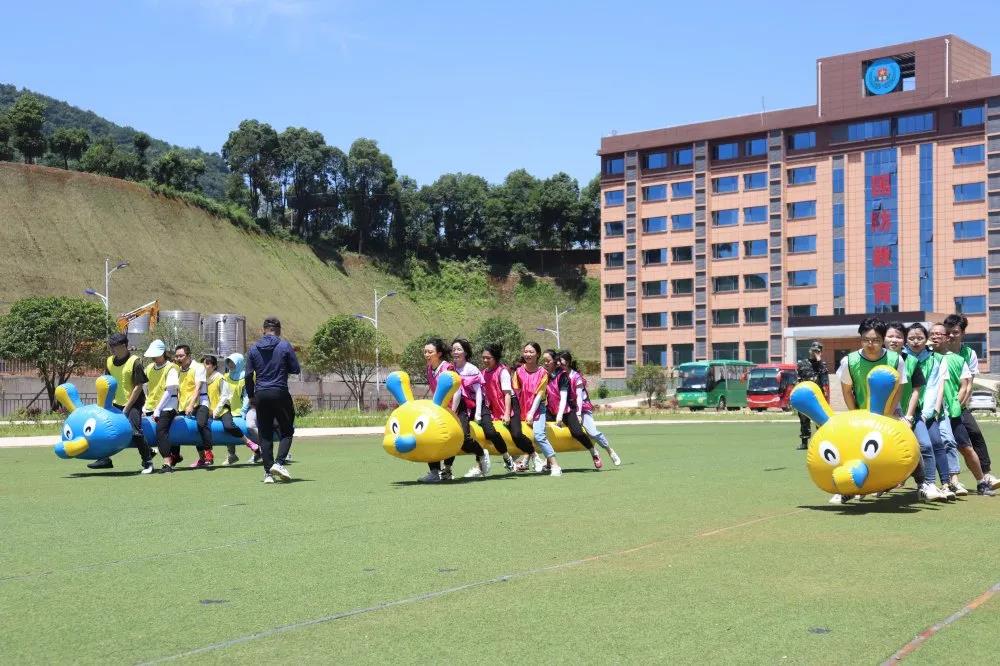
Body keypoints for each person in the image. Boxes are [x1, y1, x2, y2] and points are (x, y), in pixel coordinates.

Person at [830, 317, 908, 504]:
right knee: (853, 451)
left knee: (889, 451)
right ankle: (847, 489)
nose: (870, 344)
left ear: (883, 340)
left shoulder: (895, 359)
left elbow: (899, 389)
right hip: (860, 415)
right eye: (866, 340)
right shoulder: (849, 361)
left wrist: (887, 415)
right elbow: (846, 390)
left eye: (876, 340)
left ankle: (923, 483)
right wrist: (855, 415)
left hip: (887, 416)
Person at [930, 323, 995, 496]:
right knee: (932, 447)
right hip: (930, 412)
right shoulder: (926, 357)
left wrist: (955, 405)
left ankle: (982, 481)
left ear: (946, 337)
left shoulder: (958, 360)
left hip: (952, 412)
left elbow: (965, 386)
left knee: (965, 447)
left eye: (939, 334)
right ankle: (947, 483)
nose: (935, 336)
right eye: (932, 333)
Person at [889, 322, 945, 501]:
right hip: (886, 414)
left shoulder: (912, 361)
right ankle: (876, 484)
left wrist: (909, 415)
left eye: (898, 337)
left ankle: (929, 484)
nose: (894, 340)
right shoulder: (880, 360)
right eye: (890, 336)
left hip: (911, 413)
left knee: (926, 445)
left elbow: (916, 390)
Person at [943, 314, 1000, 490]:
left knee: (975, 433)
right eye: (948, 332)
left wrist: (960, 405)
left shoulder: (969, 354)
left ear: (963, 333)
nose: (951, 335)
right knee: (947, 443)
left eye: (955, 332)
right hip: (939, 405)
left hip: (959, 405)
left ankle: (987, 474)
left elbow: (968, 383)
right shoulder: (938, 350)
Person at [87, 332, 155, 473]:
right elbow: (107, 383)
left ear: (124, 346)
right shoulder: (109, 361)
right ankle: (104, 459)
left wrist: (127, 408)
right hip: (114, 402)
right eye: (110, 346)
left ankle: (148, 461)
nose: (112, 349)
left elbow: (138, 386)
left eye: (114, 346)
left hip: (134, 402)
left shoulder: (135, 361)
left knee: (135, 431)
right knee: (103, 428)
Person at [245, 317, 300, 483]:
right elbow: (295, 369)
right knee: (287, 430)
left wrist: (251, 396)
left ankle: (268, 473)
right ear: (279, 330)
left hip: (261, 394)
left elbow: (248, 375)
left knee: (265, 433)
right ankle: (279, 463)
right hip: (279, 392)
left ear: (263, 330)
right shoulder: (284, 345)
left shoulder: (253, 348)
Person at [905, 323, 953, 500]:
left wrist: (930, 412)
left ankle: (945, 484)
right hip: (906, 410)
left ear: (926, 339)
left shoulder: (935, 359)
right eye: (911, 338)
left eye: (920, 338)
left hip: (928, 410)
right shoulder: (902, 357)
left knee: (936, 443)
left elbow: (934, 386)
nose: (915, 341)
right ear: (906, 340)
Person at [152, 345, 211, 471]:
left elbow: (197, 388)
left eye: (181, 356)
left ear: (188, 356)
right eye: (177, 356)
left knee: (201, 424)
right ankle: (176, 455)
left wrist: (191, 405)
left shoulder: (198, 367)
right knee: (174, 426)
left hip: (200, 403)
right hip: (183, 405)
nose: (178, 358)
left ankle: (208, 451)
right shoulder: (177, 369)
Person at [559, 350, 621, 466]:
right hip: (567, 409)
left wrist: (578, 413)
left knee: (592, 432)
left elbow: (579, 397)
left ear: (567, 362)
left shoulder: (576, 377)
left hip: (582, 408)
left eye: (561, 361)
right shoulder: (559, 375)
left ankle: (609, 450)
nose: (559, 364)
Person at [207, 354, 259, 466]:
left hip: (244, 409)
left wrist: (243, 410)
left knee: (249, 426)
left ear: (239, 363)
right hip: (229, 408)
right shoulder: (226, 376)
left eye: (233, 362)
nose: (230, 364)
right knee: (227, 427)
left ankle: (259, 450)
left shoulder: (246, 376)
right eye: (228, 362)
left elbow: (247, 394)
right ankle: (232, 455)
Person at [449, 338, 491, 479]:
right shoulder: (450, 368)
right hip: (456, 405)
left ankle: (481, 454)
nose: (455, 352)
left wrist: (478, 413)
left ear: (466, 352)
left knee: (464, 437)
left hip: (472, 405)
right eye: (454, 349)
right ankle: (447, 470)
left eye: (459, 349)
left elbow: (478, 392)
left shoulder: (471, 369)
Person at [477, 343, 518, 473]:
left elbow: (507, 394)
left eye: (488, 358)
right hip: (491, 408)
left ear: (495, 358)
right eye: (483, 357)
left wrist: (507, 413)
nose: (485, 360)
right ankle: (480, 465)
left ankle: (529, 455)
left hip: (506, 405)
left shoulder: (502, 371)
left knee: (516, 434)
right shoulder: (483, 373)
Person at [511, 343, 545, 473]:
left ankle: (536, 460)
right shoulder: (518, 372)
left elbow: (540, 394)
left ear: (538, 354)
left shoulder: (543, 372)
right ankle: (525, 460)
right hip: (521, 407)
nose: (528, 354)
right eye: (526, 351)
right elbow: (515, 392)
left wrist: (531, 412)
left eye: (531, 352)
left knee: (537, 435)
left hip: (537, 408)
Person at [141, 340, 176, 463]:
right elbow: (144, 386)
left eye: (155, 355)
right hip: (151, 406)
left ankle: (167, 462)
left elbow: (169, 391)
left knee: (161, 430)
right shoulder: (149, 368)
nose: (153, 358)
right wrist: (145, 404)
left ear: (162, 353)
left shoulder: (171, 368)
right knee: (139, 428)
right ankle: (150, 451)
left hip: (168, 406)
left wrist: (158, 409)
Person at [795, 341, 829, 450]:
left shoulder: (822, 365)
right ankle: (804, 443)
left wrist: (819, 361)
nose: (814, 352)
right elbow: (797, 380)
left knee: (820, 419)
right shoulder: (802, 364)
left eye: (817, 351)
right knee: (804, 420)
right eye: (813, 350)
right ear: (809, 350)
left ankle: (821, 443)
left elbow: (824, 378)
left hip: (818, 397)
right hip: (805, 396)